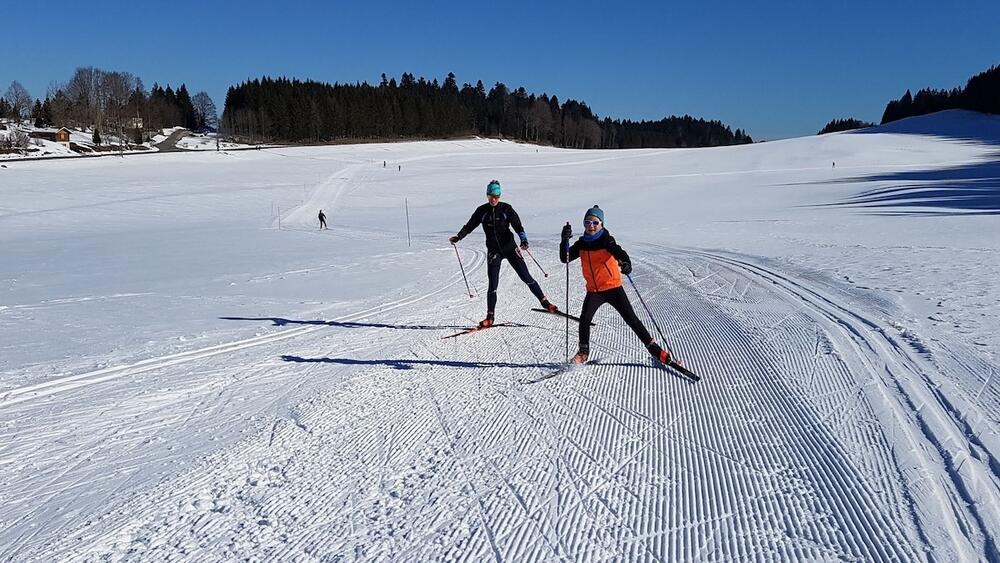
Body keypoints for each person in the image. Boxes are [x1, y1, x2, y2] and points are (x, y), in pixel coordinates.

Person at [560, 205, 671, 364]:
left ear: (602, 224)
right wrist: (564, 239)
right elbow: (566, 257)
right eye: (587, 222)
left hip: (613, 288)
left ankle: (655, 349)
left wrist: (626, 263)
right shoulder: (582, 243)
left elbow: (620, 253)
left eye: (595, 222)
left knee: (631, 319)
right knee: (584, 320)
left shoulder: (606, 240)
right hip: (594, 291)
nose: (591, 226)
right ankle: (583, 353)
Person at [450, 180, 558, 328]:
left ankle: (545, 303)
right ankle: (490, 317)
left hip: (510, 248)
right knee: (493, 285)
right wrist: (459, 236)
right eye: (491, 196)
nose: (494, 199)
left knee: (526, 277)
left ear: (499, 196)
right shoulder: (481, 211)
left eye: (497, 196)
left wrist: (524, 240)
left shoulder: (506, 209)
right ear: (487, 195)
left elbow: (518, 225)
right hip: (494, 251)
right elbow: (470, 225)